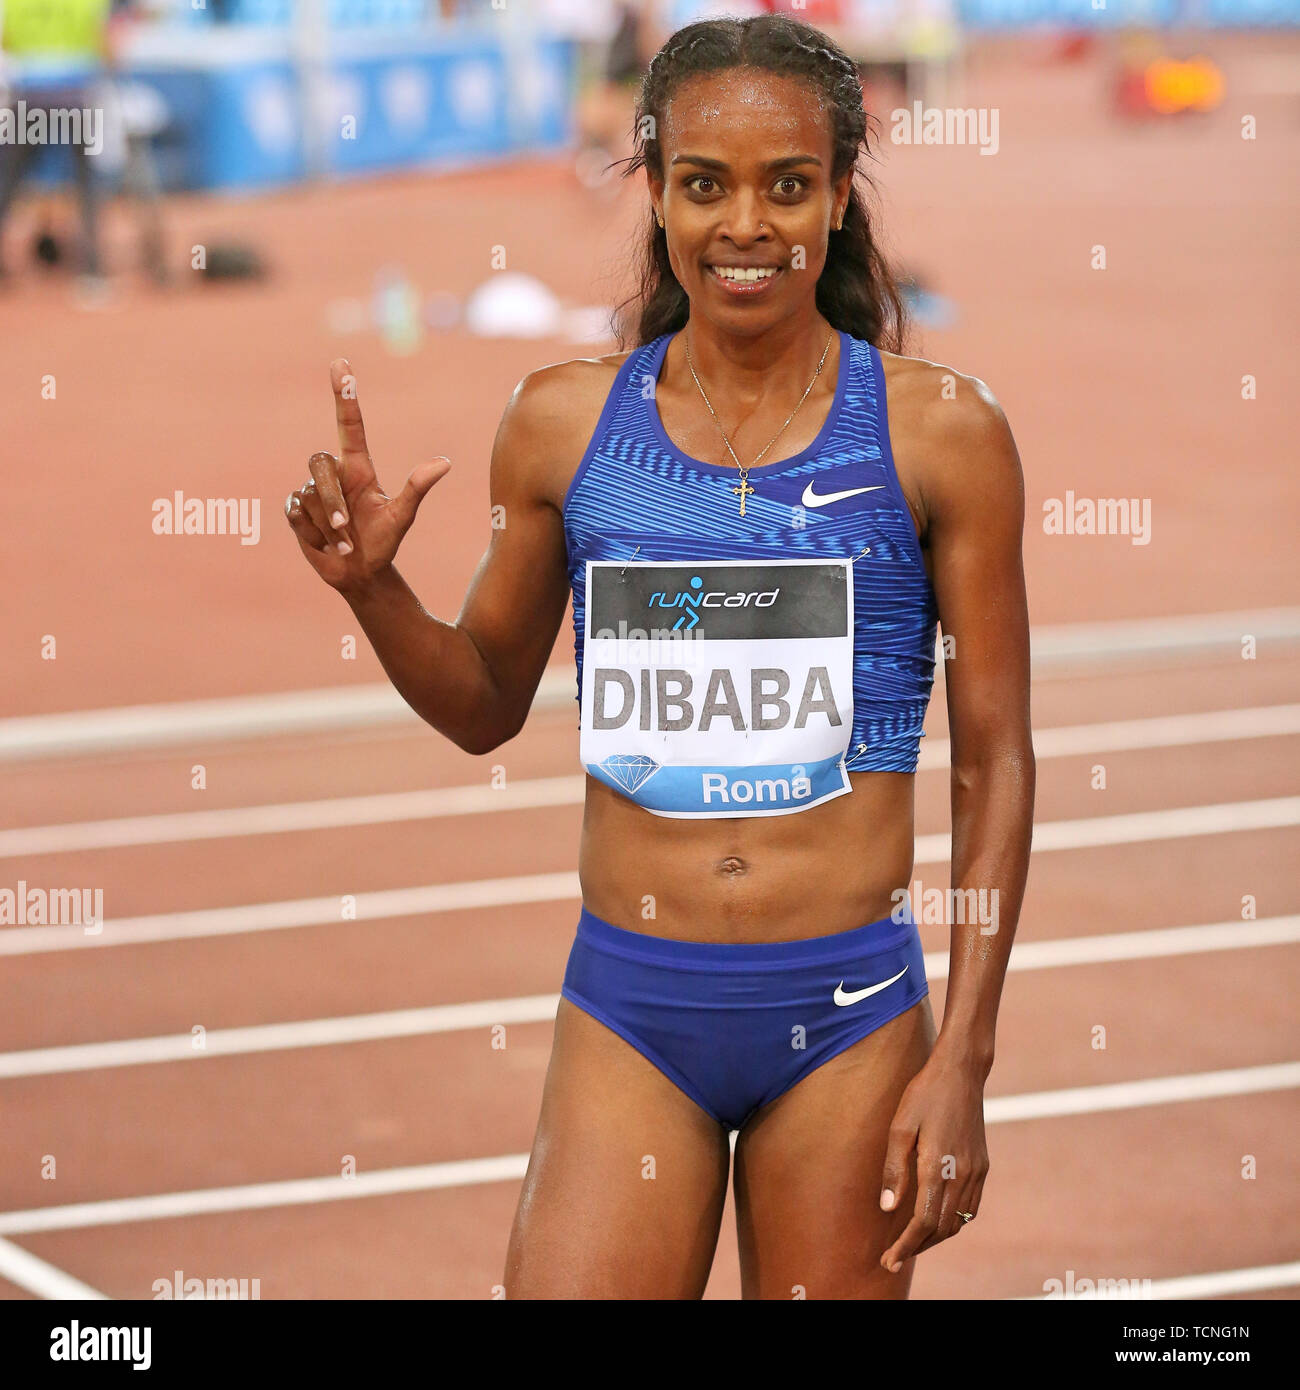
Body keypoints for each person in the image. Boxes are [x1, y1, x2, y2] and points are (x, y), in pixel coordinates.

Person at [285, 12, 1034, 1300]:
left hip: (848, 1015)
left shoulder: (941, 436)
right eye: (704, 184)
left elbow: (996, 759)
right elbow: (480, 704)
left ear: (841, 196)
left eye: (787, 185)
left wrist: (961, 1055)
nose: (744, 224)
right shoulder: (563, 424)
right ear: (657, 192)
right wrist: (375, 592)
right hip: (632, 1006)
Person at [0, 0, 112, 283]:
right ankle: (92, 270)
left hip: (28, 99)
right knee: (87, 184)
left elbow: (7, 44)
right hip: (76, 97)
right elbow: (106, 46)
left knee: (7, 182)